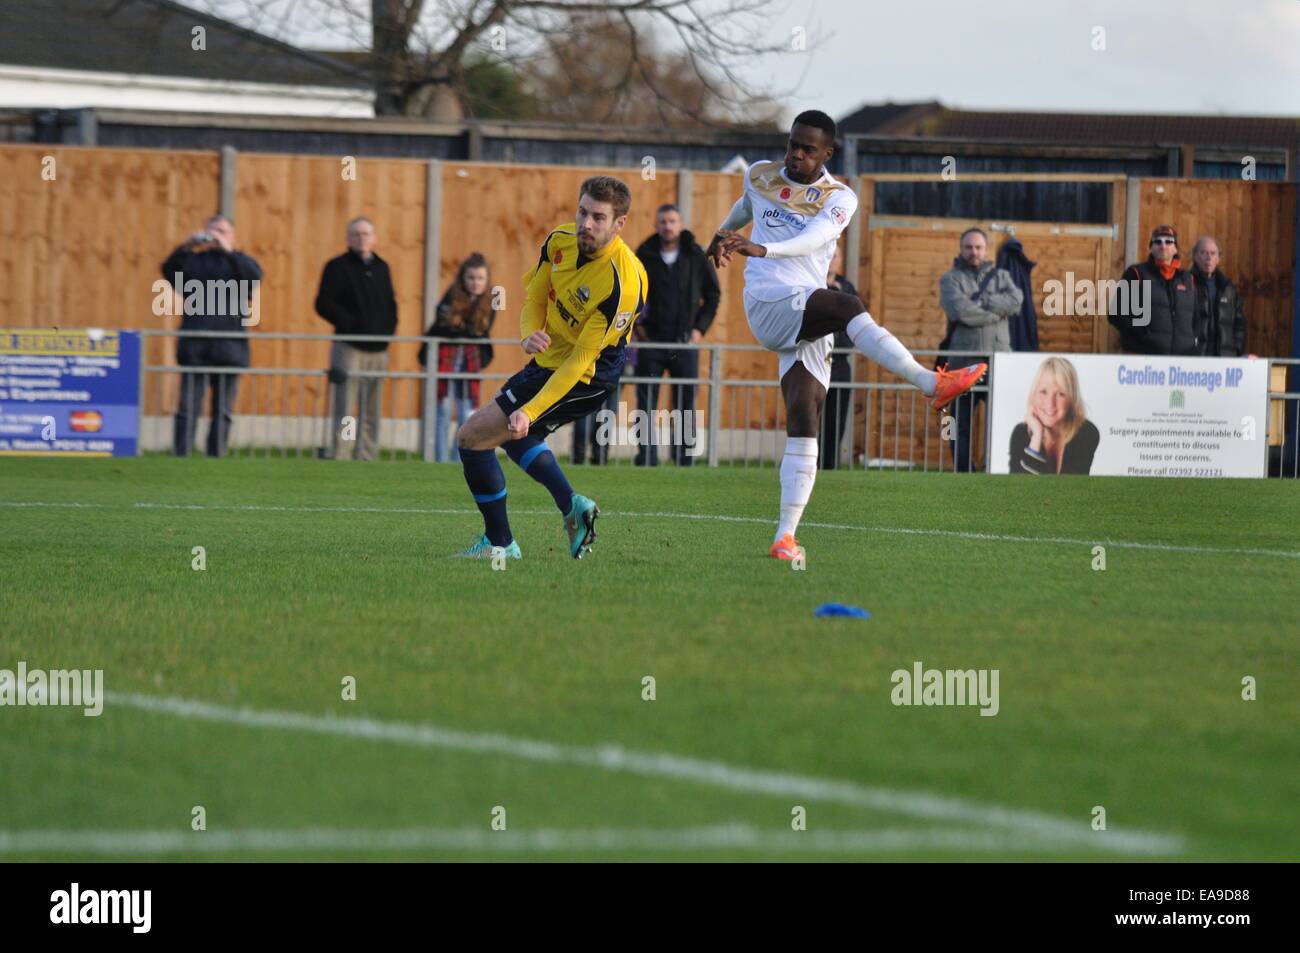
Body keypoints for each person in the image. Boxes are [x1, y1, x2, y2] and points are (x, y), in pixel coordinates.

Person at [711, 110, 986, 559]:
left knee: (806, 418)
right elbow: (745, 207)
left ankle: (785, 536)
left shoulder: (839, 197)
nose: (796, 155)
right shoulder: (760, 175)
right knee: (847, 306)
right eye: (792, 145)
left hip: (804, 311)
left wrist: (763, 246)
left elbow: (815, 237)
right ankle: (931, 383)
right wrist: (722, 234)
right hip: (769, 300)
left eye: (807, 149)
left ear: (827, 153)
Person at [453, 176, 647, 560]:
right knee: (516, 436)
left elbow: (579, 362)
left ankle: (500, 544)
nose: (586, 224)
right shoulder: (559, 241)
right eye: (582, 212)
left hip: (587, 376)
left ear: (619, 224)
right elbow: (535, 297)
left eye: (598, 217)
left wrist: (530, 409)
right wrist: (528, 334)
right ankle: (572, 507)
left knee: (473, 438)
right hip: (548, 359)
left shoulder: (623, 284)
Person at [162, 214, 262, 458]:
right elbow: (169, 270)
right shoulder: (195, 261)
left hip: (230, 348)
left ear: (232, 235)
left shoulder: (240, 261)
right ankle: (181, 455)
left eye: (223, 231)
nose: (217, 235)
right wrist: (186, 246)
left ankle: (216, 455)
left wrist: (229, 251)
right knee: (187, 408)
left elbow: (254, 278)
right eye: (214, 230)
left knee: (223, 410)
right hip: (196, 347)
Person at [633, 203, 720, 466]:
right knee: (646, 403)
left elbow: (713, 295)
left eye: (672, 221)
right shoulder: (644, 255)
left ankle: (684, 458)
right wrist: (638, 328)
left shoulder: (695, 255)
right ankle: (646, 457)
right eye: (663, 222)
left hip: (684, 344)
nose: (667, 226)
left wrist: (698, 330)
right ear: (656, 225)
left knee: (685, 405)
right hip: (651, 343)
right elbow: (630, 295)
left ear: (680, 224)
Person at [939, 228, 1024, 472]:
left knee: (998, 420)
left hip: (997, 360)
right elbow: (960, 311)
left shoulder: (1002, 276)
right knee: (959, 421)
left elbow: (1017, 302)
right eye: (968, 247)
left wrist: (983, 303)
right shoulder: (950, 279)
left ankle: (993, 467)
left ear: (986, 250)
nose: (973, 252)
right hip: (963, 362)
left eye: (978, 247)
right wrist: (997, 311)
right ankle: (963, 470)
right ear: (961, 248)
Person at [314, 217, 398, 461]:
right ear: (348, 238)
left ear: (374, 238)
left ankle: (367, 455)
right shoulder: (337, 267)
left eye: (366, 233)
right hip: (349, 347)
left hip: (379, 350)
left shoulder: (383, 268)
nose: (362, 238)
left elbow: (390, 304)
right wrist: (348, 323)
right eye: (356, 234)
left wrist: (388, 331)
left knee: (372, 409)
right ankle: (340, 453)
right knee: (345, 407)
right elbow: (323, 303)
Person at [418, 253, 495, 462]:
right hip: (446, 358)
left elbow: (481, 330)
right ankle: (440, 459)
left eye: (480, 278)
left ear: (487, 280)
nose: (475, 283)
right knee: (442, 411)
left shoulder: (490, 301)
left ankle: (458, 459)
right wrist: (463, 330)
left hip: (470, 362)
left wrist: (462, 329)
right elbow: (444, 325)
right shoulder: (452, 295)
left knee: (467, 414)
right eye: (471, 278)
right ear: (463, 278)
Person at [1109, 225, 1197, 356]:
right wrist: (1144, 335)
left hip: (1180, 360)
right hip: (1142, 357)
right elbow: (1116, 315)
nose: (1163, 245)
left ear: (1175, 249)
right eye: (1158, 242)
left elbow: (1196, 316)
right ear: (1151, 247)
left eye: (1169, 242)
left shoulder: (1188, 279)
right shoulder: (1136, 273)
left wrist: (1191, 341)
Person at [1008, 357, 1099, 475]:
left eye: (1060, 394)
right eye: (1043, 392)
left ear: (1072, 399)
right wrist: (1036, 437)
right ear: (1033, 394)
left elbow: (1070, 489)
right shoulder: (1020, 433)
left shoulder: (1086, 432)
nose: (1050, 403)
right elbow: (1018, 489)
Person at [820, 242, 857, 469]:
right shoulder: (812, 284)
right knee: (809, 418)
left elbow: (855, 323)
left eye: (836, 256)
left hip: (840, 363)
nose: (832, 259)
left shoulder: (848, 288)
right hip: (815, 360)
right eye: (829, 255)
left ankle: (830, 467)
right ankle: (807, 465)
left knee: (836, 420)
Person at [1189, 236, 1247, 357]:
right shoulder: (1185, 284)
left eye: (1213, 253)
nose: (1208, 258)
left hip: (1224, 358)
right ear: (1195, 256)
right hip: (1195, 359)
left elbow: (1240, 324)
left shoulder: (1228, 289)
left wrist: (1236, 349)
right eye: (1203, 253)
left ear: (1218, 259)